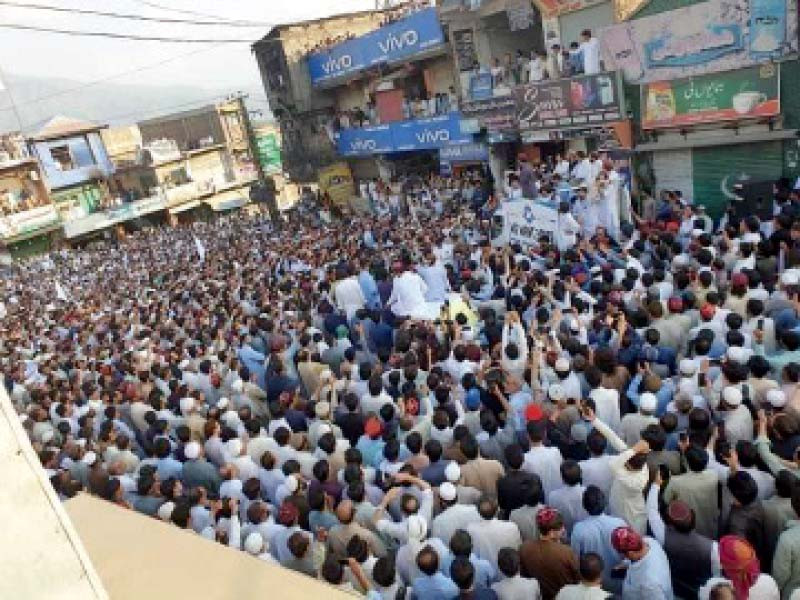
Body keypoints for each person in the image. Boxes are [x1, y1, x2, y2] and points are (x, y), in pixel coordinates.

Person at [519, 507, 580, 600]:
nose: (563, 529)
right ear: (551, 533)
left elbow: (524, 575)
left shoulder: (524, 548)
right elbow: (577, 578)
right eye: (561, 528)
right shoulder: (566, 552)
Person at [610, 526, 673, 599]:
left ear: (630, 553)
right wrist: (625, 563)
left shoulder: (650, 584)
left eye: (621, 552)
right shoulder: (649, 541)